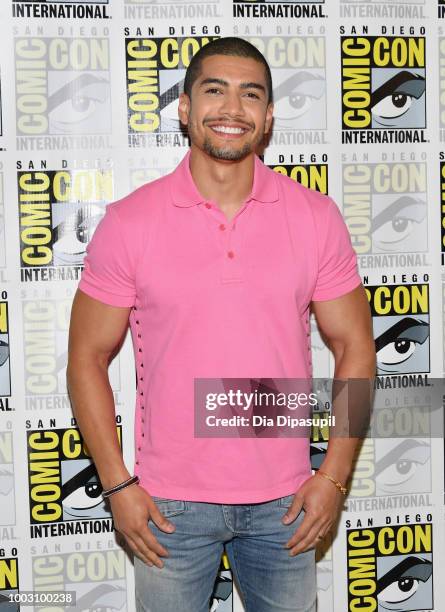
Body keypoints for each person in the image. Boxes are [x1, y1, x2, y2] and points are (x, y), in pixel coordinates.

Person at [67, 37, 376, 612]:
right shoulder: (130, 222)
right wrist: (117, 485)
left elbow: (356, 347)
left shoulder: (315, 218)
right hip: (167, 508)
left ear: (267, 117)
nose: (232, 108)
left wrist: (333, 478)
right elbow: (86, 357)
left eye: (250, 95)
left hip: (287, 502)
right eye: (214, 90)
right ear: (184, 108)